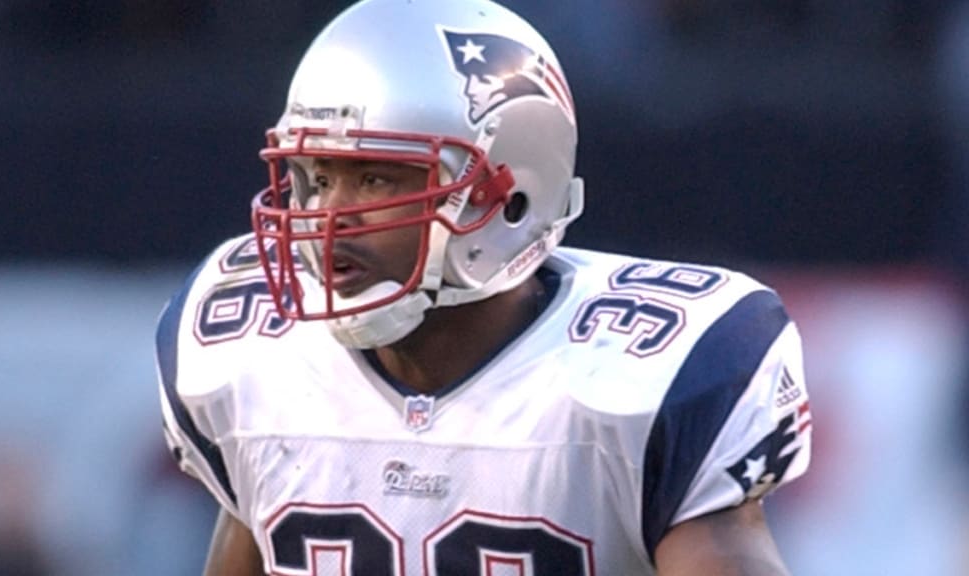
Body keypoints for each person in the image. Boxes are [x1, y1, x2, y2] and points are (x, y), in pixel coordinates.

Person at [155, 0, 812, 574]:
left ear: (510, 194)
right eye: (317, 177)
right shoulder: (256, 359)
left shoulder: (649, 379)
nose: (330, 215)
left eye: (376, 178)